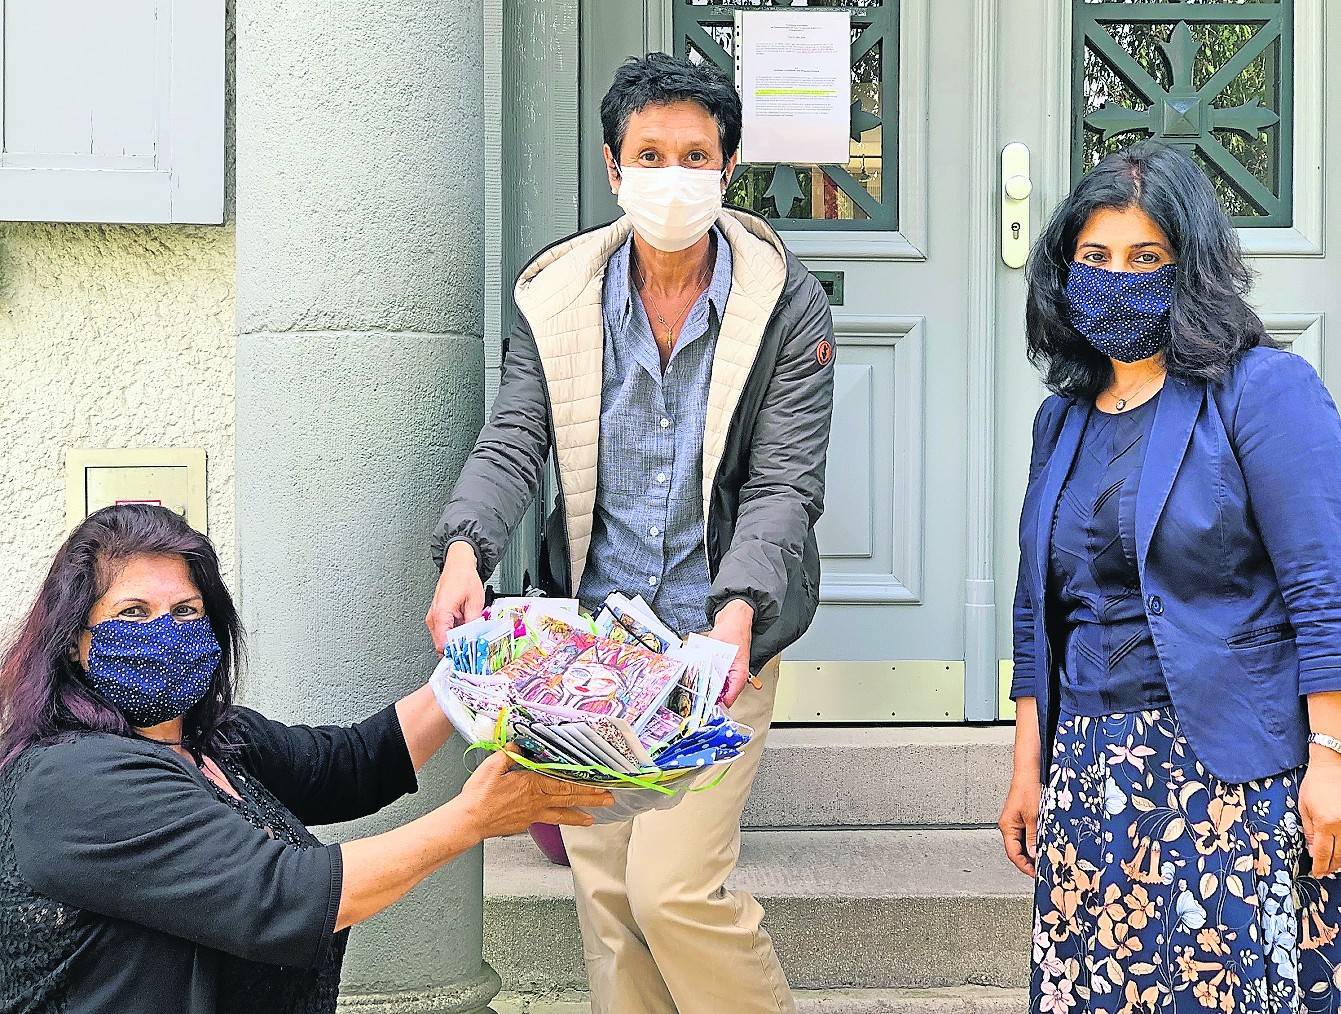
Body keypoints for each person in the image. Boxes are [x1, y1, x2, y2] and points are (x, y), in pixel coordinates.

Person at [426, 53, 834, 1014]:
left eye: (695, 155)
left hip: (718, 644)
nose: (673, 174)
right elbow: (515, 439)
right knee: (609, 903)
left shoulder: (785, 303)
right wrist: (462, 553)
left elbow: (783, 485)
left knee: (673, 889)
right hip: (594, 651)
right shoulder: (558, 296)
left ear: (726, 169)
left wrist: (737, 618)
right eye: (650, 154)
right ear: (613, 169)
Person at [0, 503, 611, 1014]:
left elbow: (355, 762)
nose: (165, 629)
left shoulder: (213, 739)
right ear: (75, 641)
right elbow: (284, 896)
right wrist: (474, 817)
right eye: (133, 613)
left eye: (186, 611)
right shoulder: (72, 783)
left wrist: (487, 664)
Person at [1000, 141, 1341, 1012]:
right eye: (1096, 258)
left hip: (1229, 776)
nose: (1119, 277)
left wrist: (1332, 757)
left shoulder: (1264, 390)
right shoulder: (1060, 420)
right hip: (1088, 776)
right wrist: (1026, 765)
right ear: (1064, 271)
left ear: (1190, 267)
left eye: (1146, 258)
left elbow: (1322, 586)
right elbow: (1039, 612)